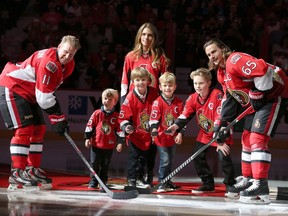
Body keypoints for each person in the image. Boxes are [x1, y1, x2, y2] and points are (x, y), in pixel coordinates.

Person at [203, 38, 288, 204]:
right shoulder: (221, 73)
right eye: (208, 54)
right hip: (259, 101)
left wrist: (258, 92)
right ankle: (249, 180)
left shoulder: (234, 60)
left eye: (214, 51)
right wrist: (222, 124)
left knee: (257, 138)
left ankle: (260, 185)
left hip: (274, 95)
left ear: (222, 48)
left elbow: (262, 68)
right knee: (247, 138)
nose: (211, 56)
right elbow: (230, 98)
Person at [0, 35, 81, 191]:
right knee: (24, 130)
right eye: (64, 52)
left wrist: (57, 119)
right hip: (12, 86)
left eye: (71, 54)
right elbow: (44, 98)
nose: (67, 57)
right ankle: (17, 172)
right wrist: (58, 118)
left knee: (39, 129)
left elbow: (46, 91)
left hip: (31, 92)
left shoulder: (69, 65)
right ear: (59, 47)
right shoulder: (49, 63)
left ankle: (32, 169)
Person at [166, 68, 236, 193]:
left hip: (221, 131)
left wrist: (220, 140)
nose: (197, 86)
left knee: (223, 157)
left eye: (201, 83)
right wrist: (175, 126)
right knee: (197, 156)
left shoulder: (217, 95)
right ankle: (208, 183)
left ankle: (231, 185)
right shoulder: (193, 98)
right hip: (205, 133)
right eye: (195, 83)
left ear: (208, 83)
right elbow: (185, 115)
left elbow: (220, 118)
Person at [120, 22, 170, 186]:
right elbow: (125, 81)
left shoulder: (160, 58)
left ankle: (148, 175)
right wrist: (122, 102)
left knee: (152, 139)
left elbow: (165, 82)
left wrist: (164, 104)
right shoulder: (130, 56)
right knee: (136, 139)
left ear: (154, 38)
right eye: (143, 34)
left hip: (153, 103)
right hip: (135, 103)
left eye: (150, 35)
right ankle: (135, 175)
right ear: (139, 36)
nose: (146, 38)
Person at [118, 67, 159, 189]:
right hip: (135, 135)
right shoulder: (130, 97)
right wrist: (127, 126)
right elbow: (122, 117)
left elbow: (159, 110)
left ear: (148, 80)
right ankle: (131, 179)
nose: (140, 82)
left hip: (151, 133)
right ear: (133, 82)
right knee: (134, 158)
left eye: (143, 79)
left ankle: (145, 178)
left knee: (149, 158)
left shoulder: (154, 93)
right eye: (137, 79)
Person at [149, 72, 184, 192]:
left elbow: (182, 120)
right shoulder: (157, 102)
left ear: (175, 86)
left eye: (170, 85)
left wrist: (180, 133)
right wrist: (154, 129)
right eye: (165, 85)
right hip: (161, 137)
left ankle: (168, 180)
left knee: (171, 160)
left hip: (172, 138)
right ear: (160, 87)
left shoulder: (179, 102)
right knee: (165, 160)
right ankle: (161, 182)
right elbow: (153, 118)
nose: (167, 88)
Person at [84, 88, 124, 190]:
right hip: (96, 144)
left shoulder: (116, 116)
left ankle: (103, 181)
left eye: (110, 99)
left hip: (108, 146)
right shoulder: (97, 113)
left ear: (115, 102)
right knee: (94, 164)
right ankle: (93, 181)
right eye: (105, 98)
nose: (107, 101)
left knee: (105, 165)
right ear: (102, 100)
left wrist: (120, 142)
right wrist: (87, 138)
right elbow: (90, 125)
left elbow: (119, 131)